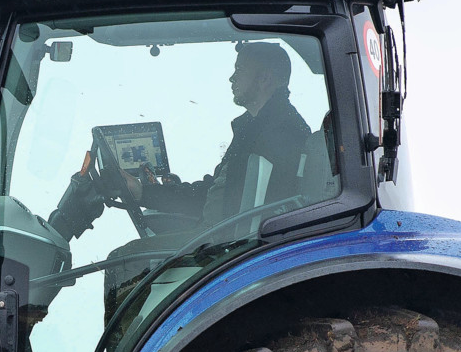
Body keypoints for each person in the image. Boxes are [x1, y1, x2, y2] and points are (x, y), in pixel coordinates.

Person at [48, 40, 325, 243]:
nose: (231, 78)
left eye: (240, 70)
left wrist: (150, 195)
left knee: (125, 262)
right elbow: (217, 195)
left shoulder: (276, 136)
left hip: (227, 252)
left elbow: (226, 209)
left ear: (264, 78)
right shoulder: (266, 127)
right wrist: (145, 193)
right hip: (226, 244)